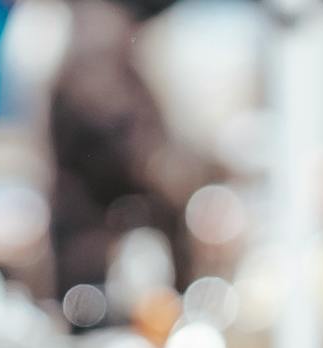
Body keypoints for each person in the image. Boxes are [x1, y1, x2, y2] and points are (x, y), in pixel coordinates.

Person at [44, 0, 211, 298]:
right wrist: (163, 166)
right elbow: (109, 120)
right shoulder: (98, 30)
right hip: (98, 257)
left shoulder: (111, 27)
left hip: (106, 246)